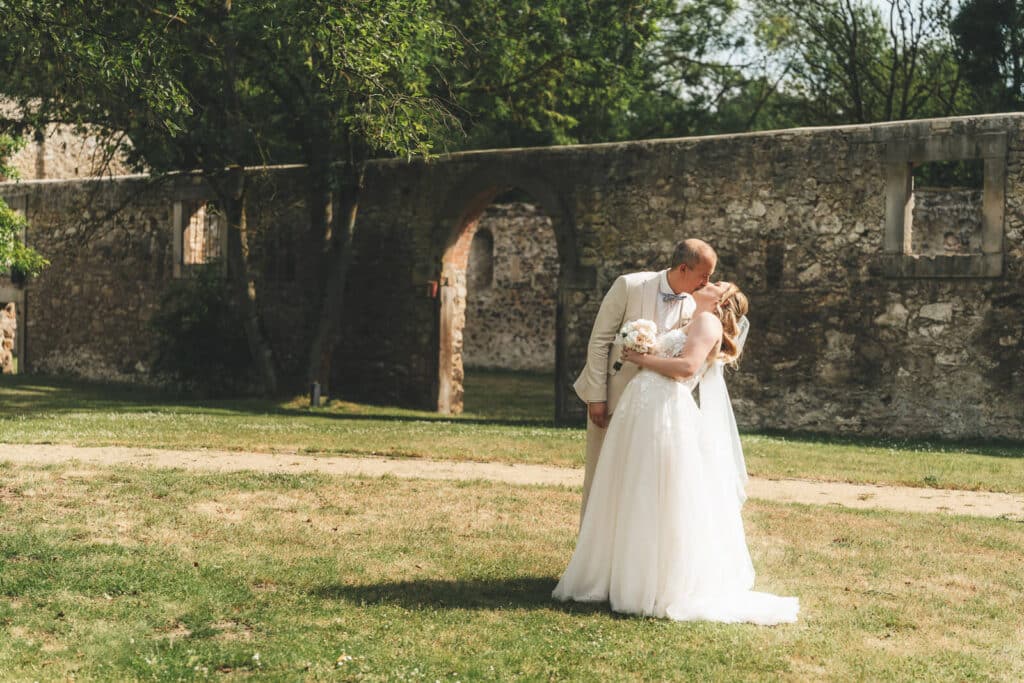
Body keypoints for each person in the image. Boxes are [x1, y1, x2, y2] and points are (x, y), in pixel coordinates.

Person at [554, 282, 799, 625]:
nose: (707, 284)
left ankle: (654, 584)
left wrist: (641, 357)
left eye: (715, 284)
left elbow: (686, 367)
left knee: (654, 490)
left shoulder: (707, 323)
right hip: (645, 406)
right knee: (633, 487)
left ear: (720, 301)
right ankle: (622, 574)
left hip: (664, 408)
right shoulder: (694, 319)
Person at [572, 239, 717, 524]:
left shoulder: (692, 304)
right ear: (684, 268)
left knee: (642, 483)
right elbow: (600, 341)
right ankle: (593, 555)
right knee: (602, 476)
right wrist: (596, 396)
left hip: (655, 407)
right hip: (614, 396)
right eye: (704, 274)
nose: (707, 282)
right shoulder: (630, 285)